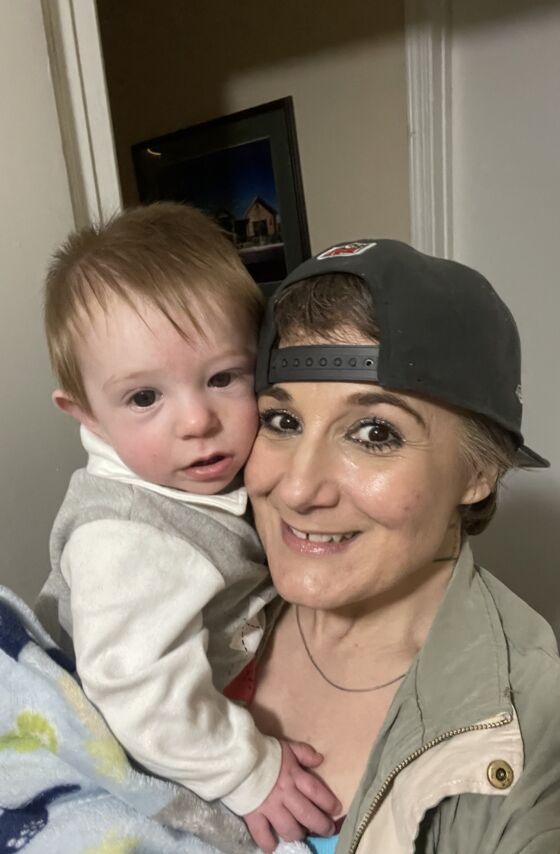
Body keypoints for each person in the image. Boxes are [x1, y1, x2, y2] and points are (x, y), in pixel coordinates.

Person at [242, 239, 560, 853]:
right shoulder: (193, 602)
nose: (296, 488)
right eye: (282, 421)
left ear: (479, 471)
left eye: (374, 432)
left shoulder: (554, 754)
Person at [35, 203, 340, 850]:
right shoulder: (125, 538)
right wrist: (251, 772)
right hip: (139, 745)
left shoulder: (198, 473)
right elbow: (140, 697)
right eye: (145, 397)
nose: (197, 421)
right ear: (85, 413)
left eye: (223, 378)